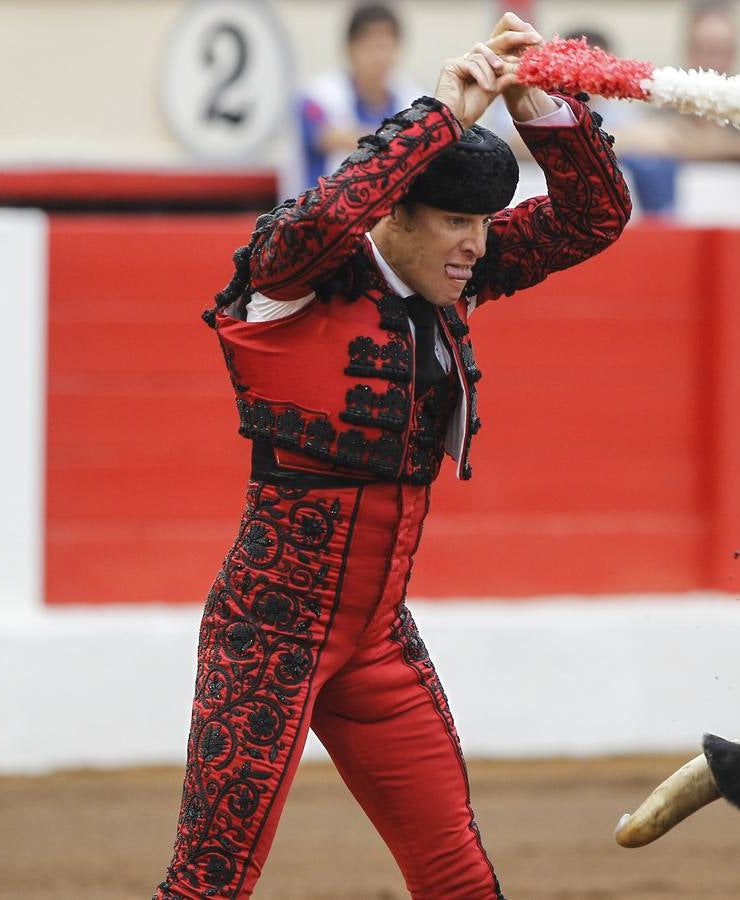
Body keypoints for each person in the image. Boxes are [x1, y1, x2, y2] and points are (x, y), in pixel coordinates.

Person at [155, 13, 630, 899]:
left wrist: (535, 102)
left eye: (483, 224)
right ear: (398, 213)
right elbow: (331, 212)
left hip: (375, 636)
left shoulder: (456, 275)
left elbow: (594, 215)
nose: (476, 246)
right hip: (269, 633)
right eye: (455, 220)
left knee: (458, 879)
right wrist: (446, 109)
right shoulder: (288, 276)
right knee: (207, 885)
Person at [285, 3, 423, 196]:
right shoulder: (317, 95)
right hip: (316, 217)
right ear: (350, 48)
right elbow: (326, 137)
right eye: (370, 46)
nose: (379, 56)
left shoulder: (413, 100)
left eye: (385, 45)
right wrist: (405, 141)